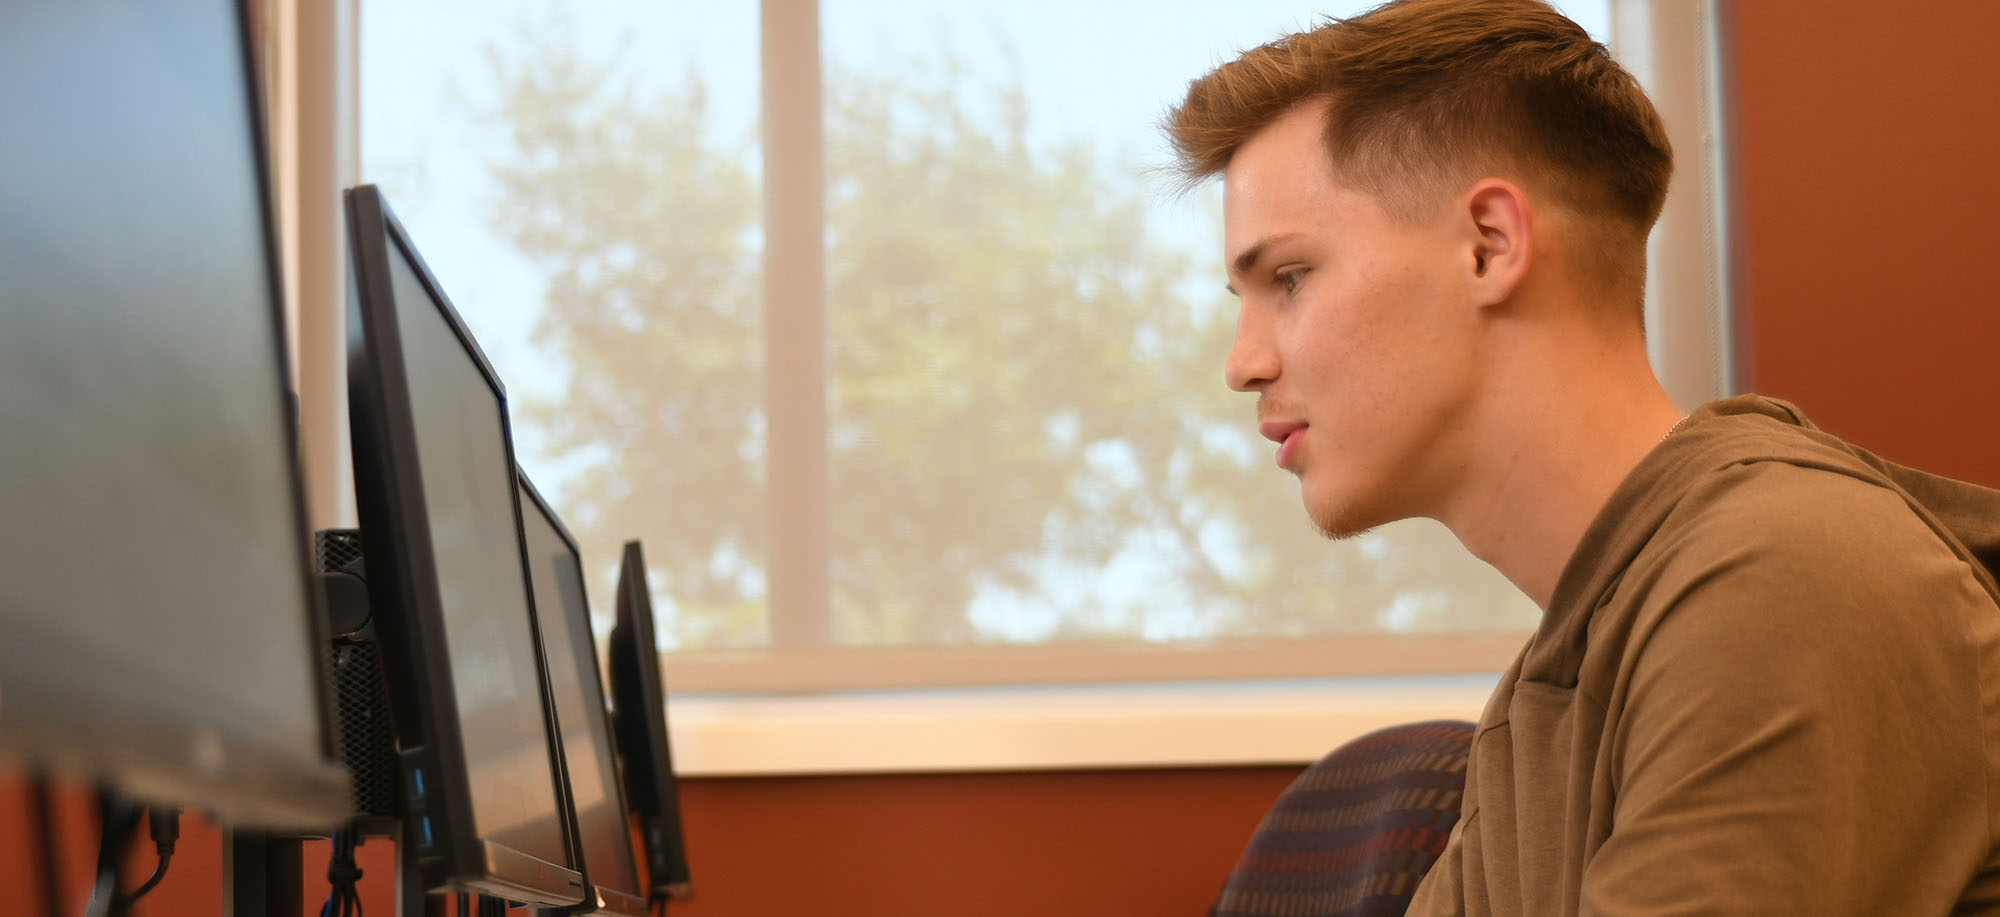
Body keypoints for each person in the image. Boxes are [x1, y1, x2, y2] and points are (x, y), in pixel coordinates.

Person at [1164, 0, 2000, 913]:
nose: (1244, 363)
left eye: (1288, 277)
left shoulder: (1783, 574)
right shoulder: (1548, 691)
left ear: (1490, 245)